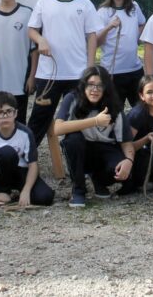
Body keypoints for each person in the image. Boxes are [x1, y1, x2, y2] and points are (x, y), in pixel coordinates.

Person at [26, 0, 103, 154]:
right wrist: (41, 40)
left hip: (77, 73)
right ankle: (25, 160)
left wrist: (90, 67)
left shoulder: (84, 4)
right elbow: (32, 30)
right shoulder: (44, 2)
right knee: (39, 119)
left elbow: (92, 36)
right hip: (48, 74)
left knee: (78, 119)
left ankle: (77, 159)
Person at [54, 66, 136, 207]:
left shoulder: (114, 105)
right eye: (91, 84)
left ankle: (99, 180)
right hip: (81, 147)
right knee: (72, 141)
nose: (95, 89)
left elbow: (126, 141)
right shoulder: (72, 98)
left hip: (105, 148)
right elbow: (58, 128)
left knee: (121, 170)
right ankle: (78, 190)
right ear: (83, 84)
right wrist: (95, 121)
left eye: (100, 85)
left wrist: (129, 160)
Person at [0, 92, 55, 207]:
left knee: (45, 197)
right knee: (7, 152)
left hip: (20, 171)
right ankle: (3, 191)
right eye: (0, 112)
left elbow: (33, 164)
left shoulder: (25, 133)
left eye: (9, 111)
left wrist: (26, 190)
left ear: (15, 113)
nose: (5, 116)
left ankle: (19, 192)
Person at [95, 0, 147, 108]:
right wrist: (109, 27)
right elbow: (96, 42)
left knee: (142, 110)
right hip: (112, 72)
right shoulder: (103, 12)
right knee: (113, 112)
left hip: (135, 70)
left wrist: (136, 37)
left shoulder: (134, 7)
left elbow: (142, 23)